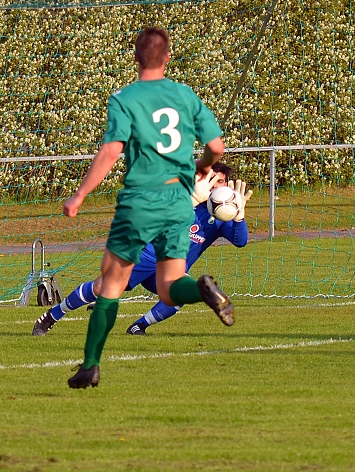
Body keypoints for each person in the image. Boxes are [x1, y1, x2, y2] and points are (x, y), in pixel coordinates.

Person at [62, 27, 233, 389]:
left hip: (141, 200)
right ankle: (200, 289)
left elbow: (112, 151)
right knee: (170, 287)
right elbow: (217, 147)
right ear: (168, 57)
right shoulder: (185, 95)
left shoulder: (125, 98)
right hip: (178, 202)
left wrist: (79, 195)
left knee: (112, 282)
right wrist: (203, 166)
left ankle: (90, 365)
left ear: (136, 57)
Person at [35, 163, 252, 337]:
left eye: (220, 181)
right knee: (102, 287)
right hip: (145, 254)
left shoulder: (222, 216)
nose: (215, 186)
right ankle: (52, 315)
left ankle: (139, 326)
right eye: (211, 179)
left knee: (178, 294)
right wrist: (192, 199)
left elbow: (241, 241)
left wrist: (239, 215)